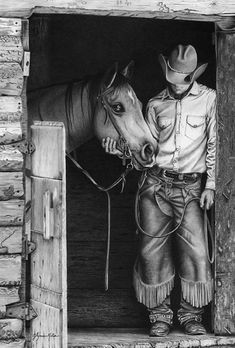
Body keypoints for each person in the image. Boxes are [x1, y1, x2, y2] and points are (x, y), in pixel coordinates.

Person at [102, 44, 216, 336]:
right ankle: (160, 316)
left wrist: (211, 185)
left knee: (197, 253)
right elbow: (145, 154)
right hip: (155, 184)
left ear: (192, 76)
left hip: (191, 186)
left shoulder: (209, 101)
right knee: (151, 251)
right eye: (171, 77)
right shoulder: (154, 104)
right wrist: (121, 153)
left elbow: (216, 145)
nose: (174, 84)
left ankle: (192, 316)